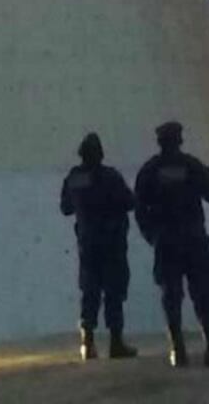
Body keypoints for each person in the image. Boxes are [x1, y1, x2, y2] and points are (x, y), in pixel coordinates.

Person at [134, 121, 209, 368]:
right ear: (179, 140)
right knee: (203, 294)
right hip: (193, 238)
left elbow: (139, 207)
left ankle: (178, 350)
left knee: (171, 295)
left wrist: (151, 235)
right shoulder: (192, 165)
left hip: (166, 240)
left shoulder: (150, 169)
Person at [59, 133, 137, 360]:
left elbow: (65, 208)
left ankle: (87, 343)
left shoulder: (74, 178)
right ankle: (115, 343)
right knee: (113, 291)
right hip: (111, 242)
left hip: (87, 242)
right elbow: (129, 201)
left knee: (89, 291)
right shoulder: (110, 176)